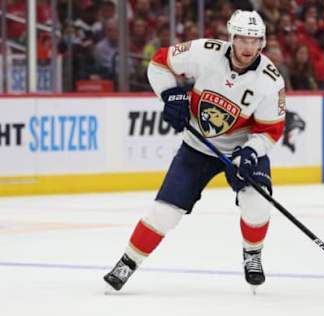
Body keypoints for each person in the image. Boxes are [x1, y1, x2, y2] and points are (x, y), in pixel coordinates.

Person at [103, 10, 286, 293]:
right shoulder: (205, 52)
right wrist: (170, 94)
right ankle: (128, 262)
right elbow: (159, 63)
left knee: (258, 204)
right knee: (163, 212)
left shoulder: (270, 81)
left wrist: (250, 152)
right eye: (242, 39)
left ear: (262, 42)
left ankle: (252, 255)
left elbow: (270, 130)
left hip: (241, 147)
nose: (248, 47)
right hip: (197, 146)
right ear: (231, 38)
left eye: (254, 41)